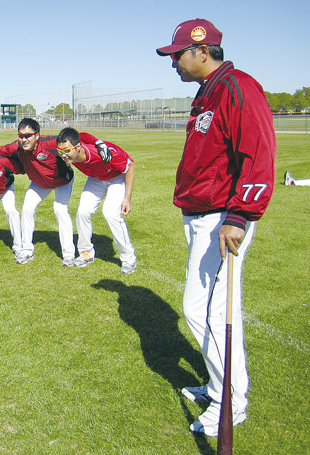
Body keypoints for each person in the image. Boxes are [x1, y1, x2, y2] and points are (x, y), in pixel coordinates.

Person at [157, 18, 276, 437]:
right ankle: (217, 384)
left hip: (224, 219)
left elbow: (259, 154)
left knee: (204, 311)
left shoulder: (237, 87)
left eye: (177, 55)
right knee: (203, 310)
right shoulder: (207, 93)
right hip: (203, 216)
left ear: (201, 50)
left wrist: (240, 216)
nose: (173, 63)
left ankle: (232, 402)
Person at [0, 118, 111, 266]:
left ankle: (68, 255)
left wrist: (99, 143)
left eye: (28, 135)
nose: (24, 139)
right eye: (21, 135)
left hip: (62, 181)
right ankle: (27, 250)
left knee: (60, 210)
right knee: (27, 209)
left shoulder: (51, 143)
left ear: (37, 136)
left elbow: (80, 135)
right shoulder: (16, 147)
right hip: (39, 183)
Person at [56, 127, 137, 273]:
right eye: (60, 151)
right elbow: (81, 135)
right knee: (83, 212)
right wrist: (98, 141)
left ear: (78, 147)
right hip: (96, 178)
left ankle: (128, 258)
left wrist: (127, 199)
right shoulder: (70, 149)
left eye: (67, 151)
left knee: (110, 214)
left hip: (116, 177)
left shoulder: (104, 155)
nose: (63, 155)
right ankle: (86, 254)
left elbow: (130, 166)